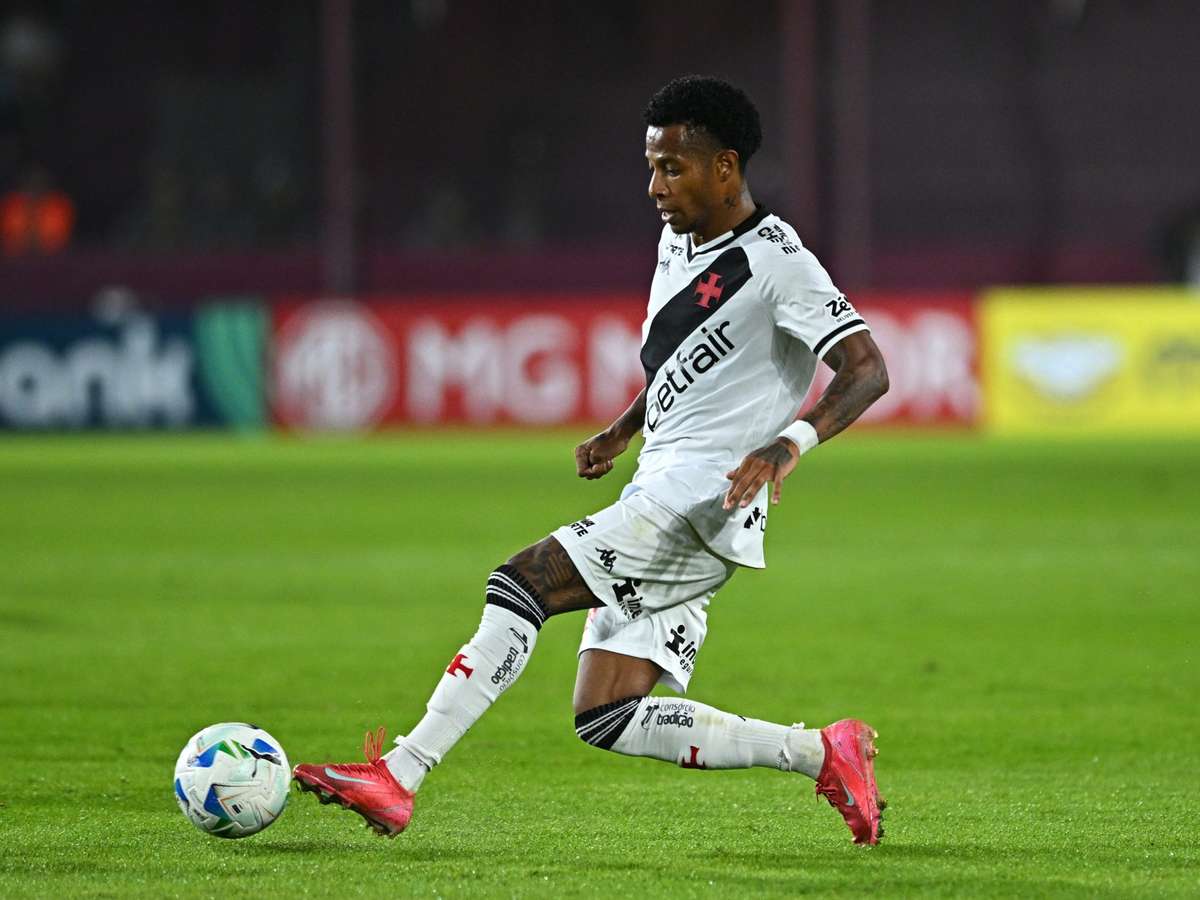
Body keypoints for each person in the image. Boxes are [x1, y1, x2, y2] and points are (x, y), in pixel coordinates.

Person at [293, 75, 891, 845]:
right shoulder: (680, 240)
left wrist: (788, 443)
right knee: (608, 712)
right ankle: (822, 752)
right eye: (651, 167)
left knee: (521, 583)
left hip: (700, 501)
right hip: (665, 487)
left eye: (672, 168)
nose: (655, 187)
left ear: (726, 167)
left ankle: (399, 775)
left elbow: (867, 369)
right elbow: (684, 361)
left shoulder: (780, 263)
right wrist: (624, 427)